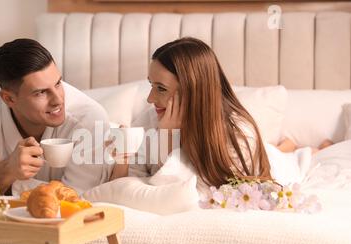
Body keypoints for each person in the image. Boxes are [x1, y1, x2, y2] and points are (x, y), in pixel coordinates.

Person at [0, 39, 111, 195]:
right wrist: (8, 169)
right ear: (9, 98)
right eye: (41, 92)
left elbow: (76, 198)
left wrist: (1, 169)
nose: (58, 100)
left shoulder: (90, 119)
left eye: (58, 83)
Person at [109, 37, 272, 193]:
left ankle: (286, 146)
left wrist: (168, 138)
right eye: (151, 85)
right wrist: (122, 158)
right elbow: (120, 190)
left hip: (273, 160)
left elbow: (199, 196)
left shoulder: (239, 135)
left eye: (161, 88)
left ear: (194, 92)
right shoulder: (151, 119)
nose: (150, 98)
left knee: (278, 153)